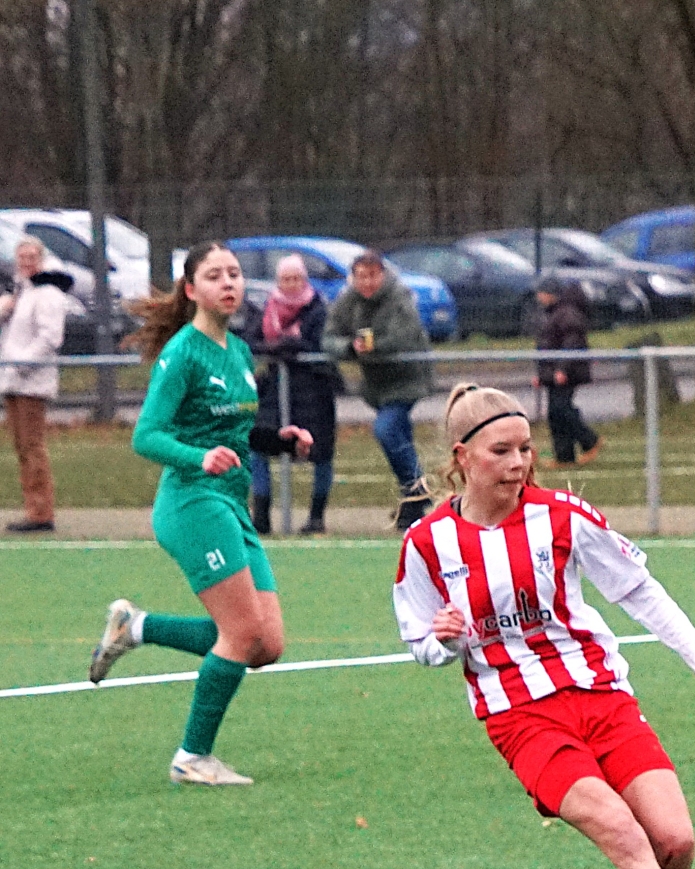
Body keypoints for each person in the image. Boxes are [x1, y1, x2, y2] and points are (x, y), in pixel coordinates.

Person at [393, 383, 695, 869]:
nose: (518, 463)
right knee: (622, 832)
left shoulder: (563, 516)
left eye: (525, 448)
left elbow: (639, 591)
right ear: (462, 457)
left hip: (601, 696)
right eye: (501, 451)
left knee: (675, 842)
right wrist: (444, 641)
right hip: (520, 718)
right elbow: (421, 642)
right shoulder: (427, 543)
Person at [86, 241, 312, 785]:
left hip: (229, 504)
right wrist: (198, 458)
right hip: (192, 502)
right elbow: (146, 436)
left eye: (234, 273)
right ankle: (192, 757)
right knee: (243, 632)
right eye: (214, 275)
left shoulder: (238, 351)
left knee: (266, 645)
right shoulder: (182, 353)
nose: (228, 282)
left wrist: (278, 441)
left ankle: (136, 627)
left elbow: (232, 432)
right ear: (192, 290)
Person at [324, 250, 434, 529]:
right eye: (361, 276)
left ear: (382, 275)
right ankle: (412, 502)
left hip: (407, 379)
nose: (367, 282)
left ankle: (417, 490)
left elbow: (404, 337)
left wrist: (373, 347)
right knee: (400, 438)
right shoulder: (349, 300)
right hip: (377, 385)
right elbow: (329, 337)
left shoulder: (399, 297)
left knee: (386, 429)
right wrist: (349, 347)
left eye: (372, 276)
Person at [243, 254, 342, 534]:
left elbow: (322, 345)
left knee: (321, 452)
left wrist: (295, 346)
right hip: (275, 389)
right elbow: (249, 341)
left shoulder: (319, 309)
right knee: (258, 445)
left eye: (296, 278)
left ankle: (316, 517)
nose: (291, 284)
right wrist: (274, 348)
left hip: (313, 391)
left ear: (304, 279)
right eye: (285, 279)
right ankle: (261, 514)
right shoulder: (267, 308)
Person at [0, 236, 74, 533]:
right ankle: (33, 508)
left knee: (32, 446)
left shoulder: (48, 294)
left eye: (32, 257)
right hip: (13, 382)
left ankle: (41, 513)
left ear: (41, 259)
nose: (27, 262)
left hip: (32, 383)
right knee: (22, 447)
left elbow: (50, 337)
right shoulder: (22, 293)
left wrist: (21, 363)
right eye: (22, 257)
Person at [533, 278, 600, 468]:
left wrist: (562, 369)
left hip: (566, 372)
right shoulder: (552, 313)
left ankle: (589, 440)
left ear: (550, 294)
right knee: (555, 413)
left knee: (561, 409)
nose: (539, 297)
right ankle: (564, 456)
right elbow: (546, 346)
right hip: (552, 372)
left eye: (542, 292)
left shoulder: (567, 313)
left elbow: (572, 344)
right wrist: (542, 374)